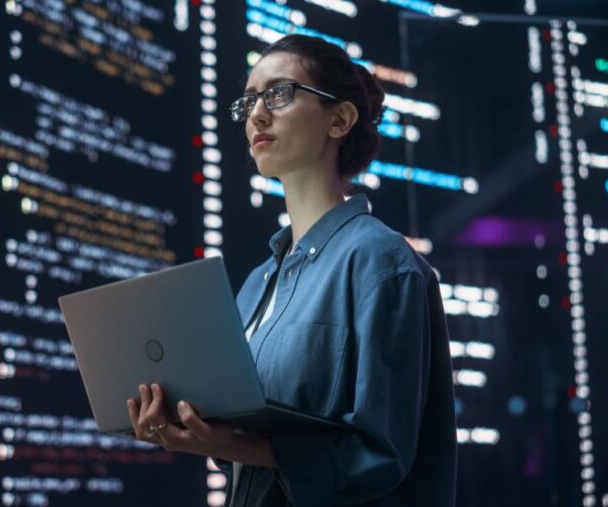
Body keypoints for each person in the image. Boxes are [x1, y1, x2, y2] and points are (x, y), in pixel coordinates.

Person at [126, 34, 457, 506]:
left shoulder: (382, 263)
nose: (257, 115)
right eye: (249, 101)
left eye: (279, 94)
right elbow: (253, 450)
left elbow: (381, 455)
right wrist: (192, 429)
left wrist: (231, 444)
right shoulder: (255, 288)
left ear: (340, 119)